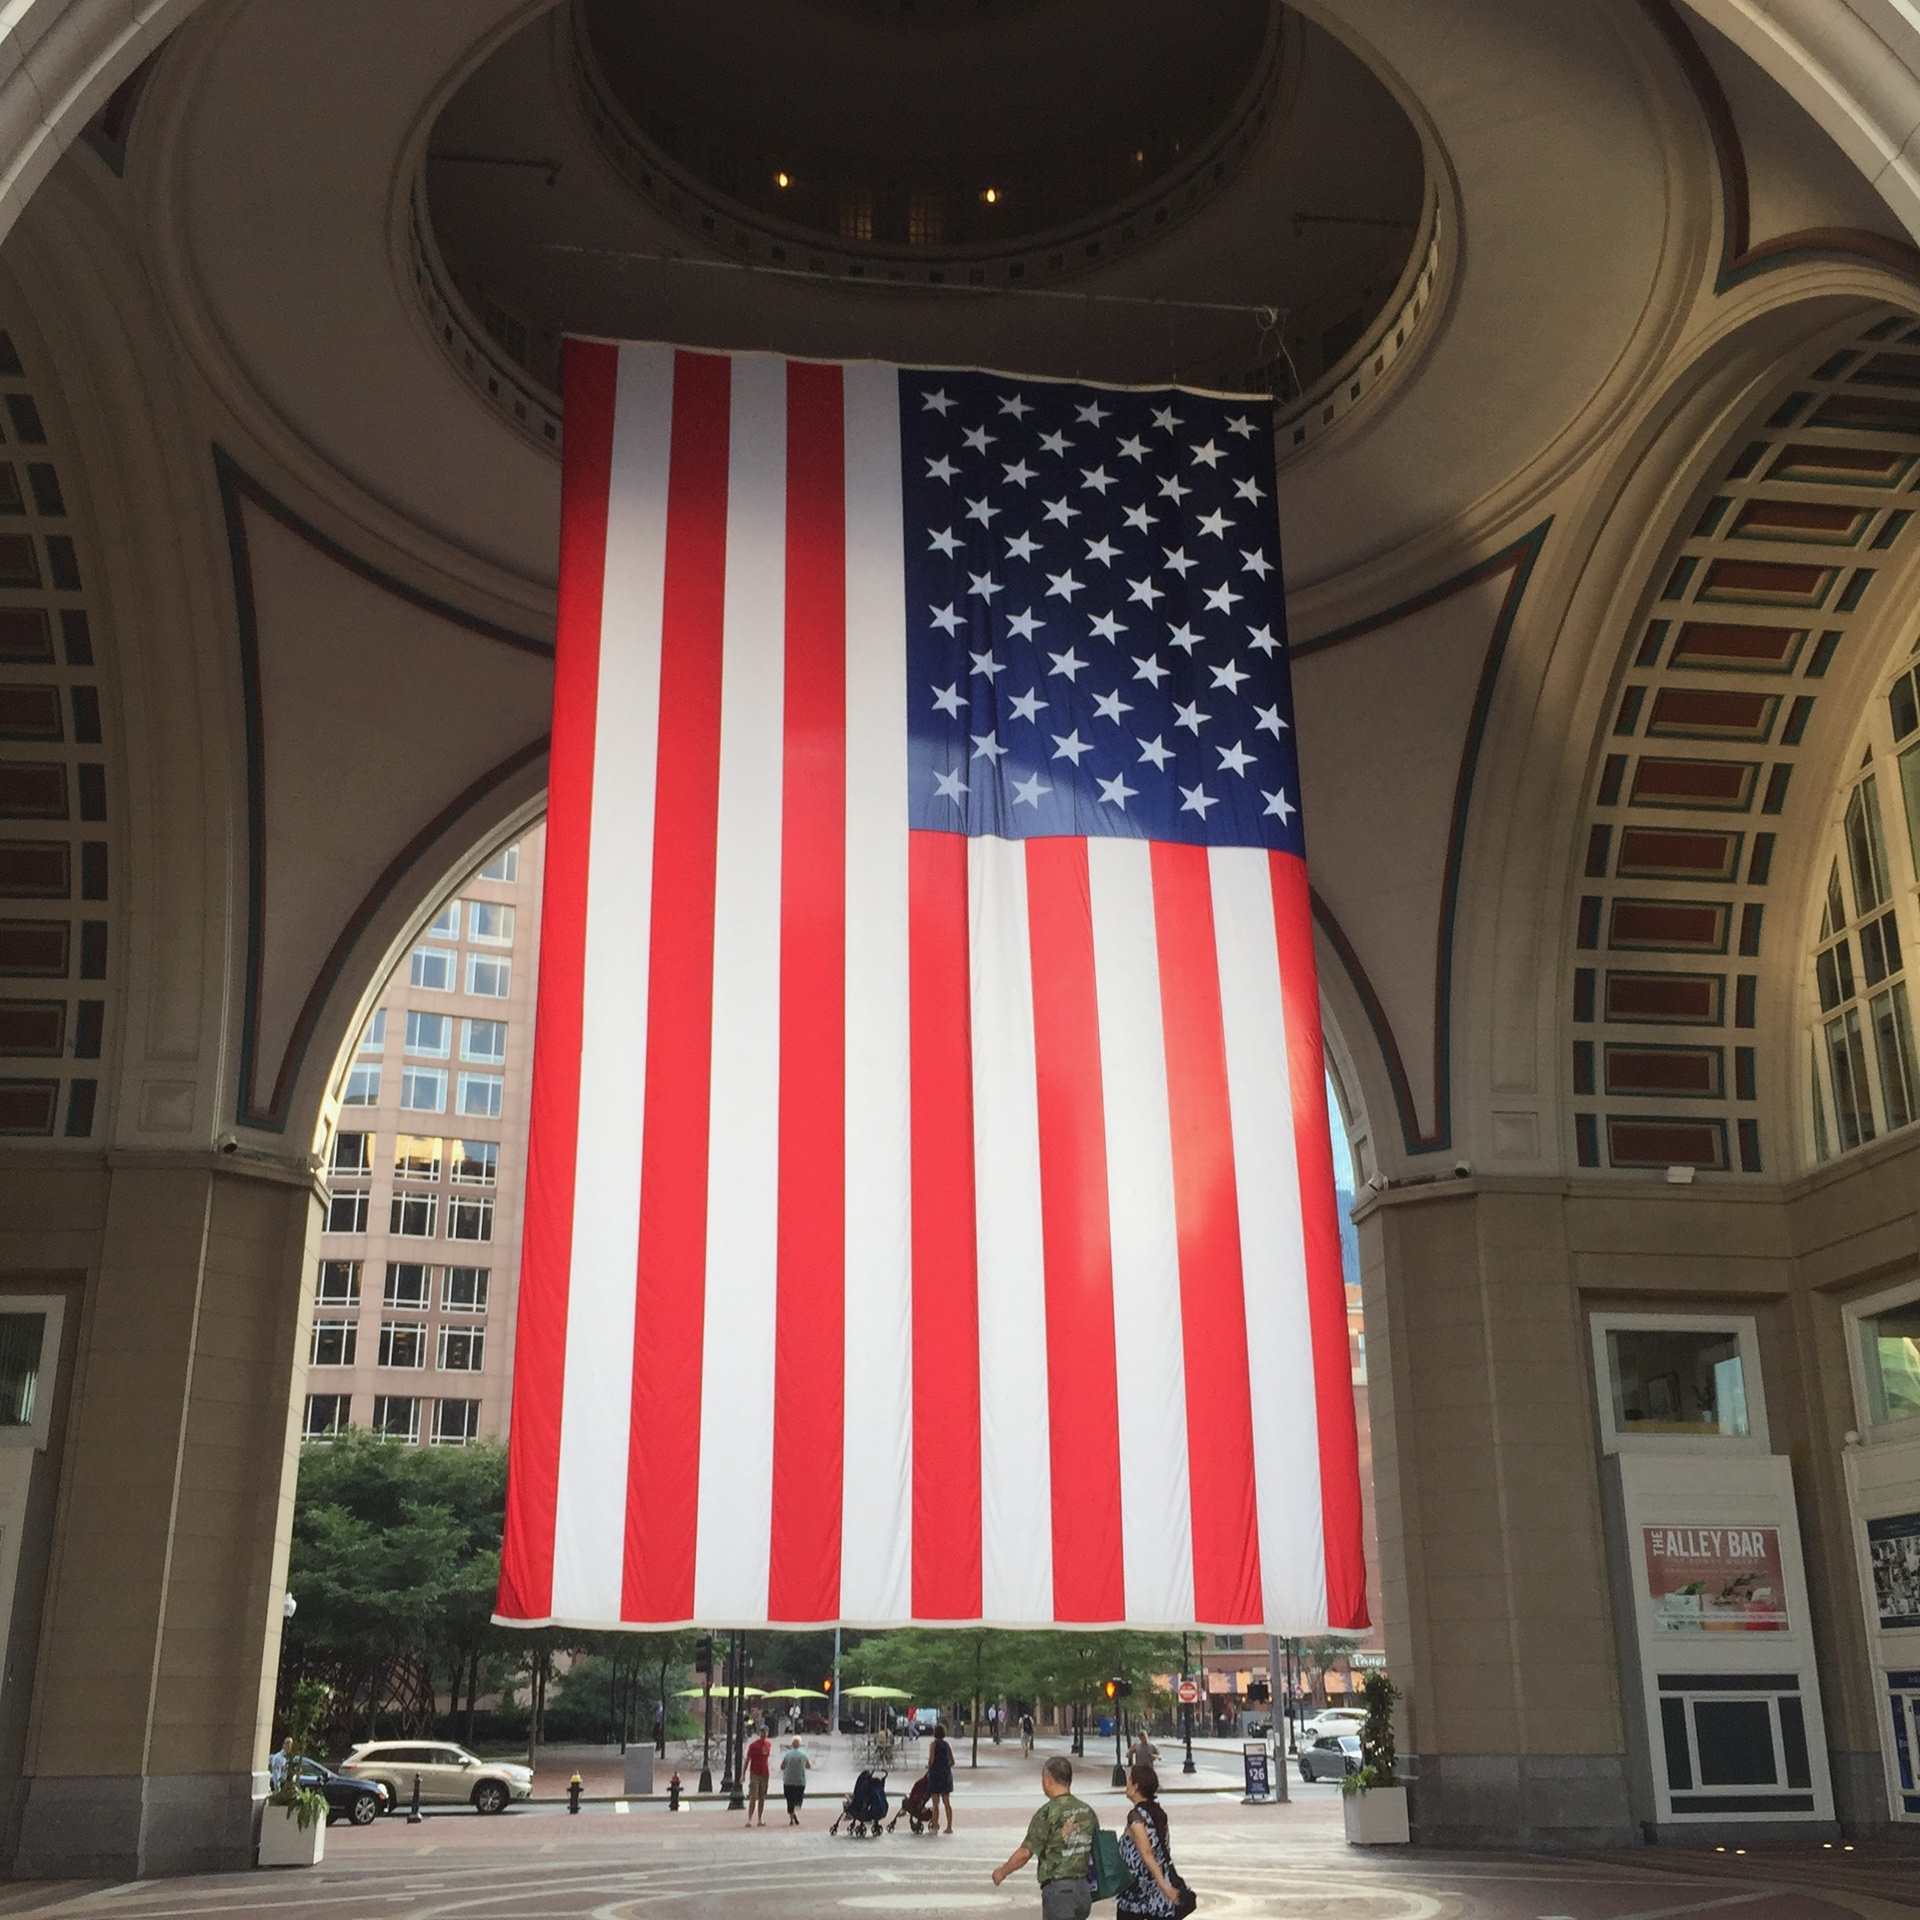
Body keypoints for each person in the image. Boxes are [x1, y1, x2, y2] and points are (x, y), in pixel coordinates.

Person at [991, 1753, 1097, 1920]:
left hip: (1060, 1892)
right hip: (1083, 1891)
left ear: (1049, 1780)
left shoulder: (1048, 1812)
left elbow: (1026, 1853)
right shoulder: (1087, 1811)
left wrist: (1002, 1872)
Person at [1115, 1763, 1181, 1919]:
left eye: (1129, 1780)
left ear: (1136, 1786)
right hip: (1157, 1896)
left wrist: (1165, 1887)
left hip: (1137, 1893)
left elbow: (1147, 1853)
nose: (1127, 1784)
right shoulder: (1158, 1813)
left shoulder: (1136, 1817)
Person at [926, 1721, 956, 1833]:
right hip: (946, 1775)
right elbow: (952, 1761)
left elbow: (931, 1760)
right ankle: (949, 1826)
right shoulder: (947, 1745)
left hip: (935, 1775)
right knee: (946, 1802)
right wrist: (945, 1765)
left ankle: (935, 1826)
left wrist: (928, 1766)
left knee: (935, 1803)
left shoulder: (933, 1745)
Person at [744, 1726, 772, 1827]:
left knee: (762, 1797)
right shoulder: (753, 1745)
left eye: (765, 1732)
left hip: (765, 1773)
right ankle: (749, 1819)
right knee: (753, 1796)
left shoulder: (768, 1744)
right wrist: (743, 1774)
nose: (764, 1734)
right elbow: (747, 1759)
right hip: (755, 1773)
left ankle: (760, 1819)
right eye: (762, 1732)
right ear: (759, 1733)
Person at [780, 1735, 810, 1824]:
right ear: (800, 1744)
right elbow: (808, 1765)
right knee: (798, 1800)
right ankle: (795, 1812)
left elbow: (782, 1766)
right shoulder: (804, 1754)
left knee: (789, 1800)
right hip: (800, 1780)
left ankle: (791, 1817)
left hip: (788, 1780)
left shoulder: (787, 1754)